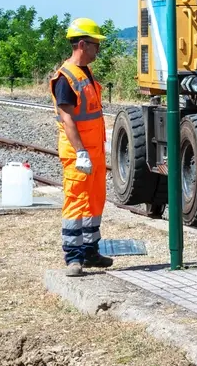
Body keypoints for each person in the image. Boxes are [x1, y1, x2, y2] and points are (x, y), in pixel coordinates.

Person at [50, 17, 113, 277]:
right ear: (83, 45)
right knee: (76, 202)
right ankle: (73, 258)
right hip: (79, 153)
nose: (99, 49)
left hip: (94, 151)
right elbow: (67, 119)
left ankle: (90, 251)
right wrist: (81, 152)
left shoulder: (85, 72)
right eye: (96, 44)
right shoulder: (65, 78)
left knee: (95, 201)